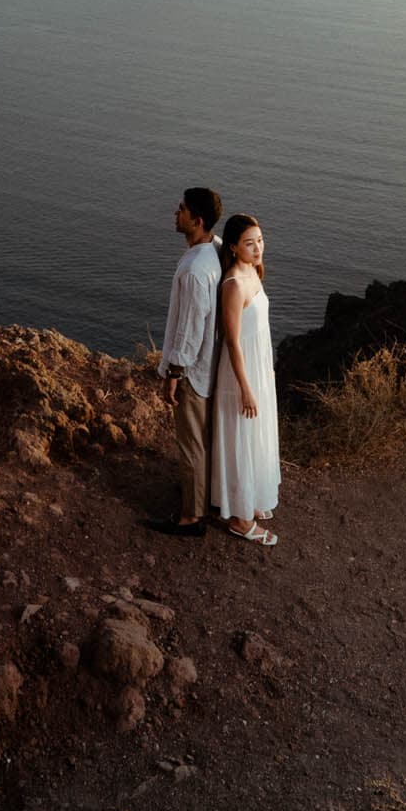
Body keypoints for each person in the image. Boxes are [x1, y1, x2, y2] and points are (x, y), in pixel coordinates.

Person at [151, 185, 223, 536]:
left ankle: (192, 518)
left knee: (191, 443)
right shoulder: (215, 249)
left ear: (196, 220)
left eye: (181, 209)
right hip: (211, 367)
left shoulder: (196, 270)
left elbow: (191, 328)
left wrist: (174, 372)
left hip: (194, 372)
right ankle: (202, 496)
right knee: (203, 440)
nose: (174, 213)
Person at [210, 213, 280, 544]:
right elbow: (233, 341)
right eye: (249, 243)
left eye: (260, 241)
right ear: (235, 247)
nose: (257, 248)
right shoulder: (234, 284)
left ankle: (250, 498)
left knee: (255, 436)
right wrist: (246, 388)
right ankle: (240, 518)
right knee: (240, 436)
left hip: (259, 367)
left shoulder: (254, 271)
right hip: (241, 372)